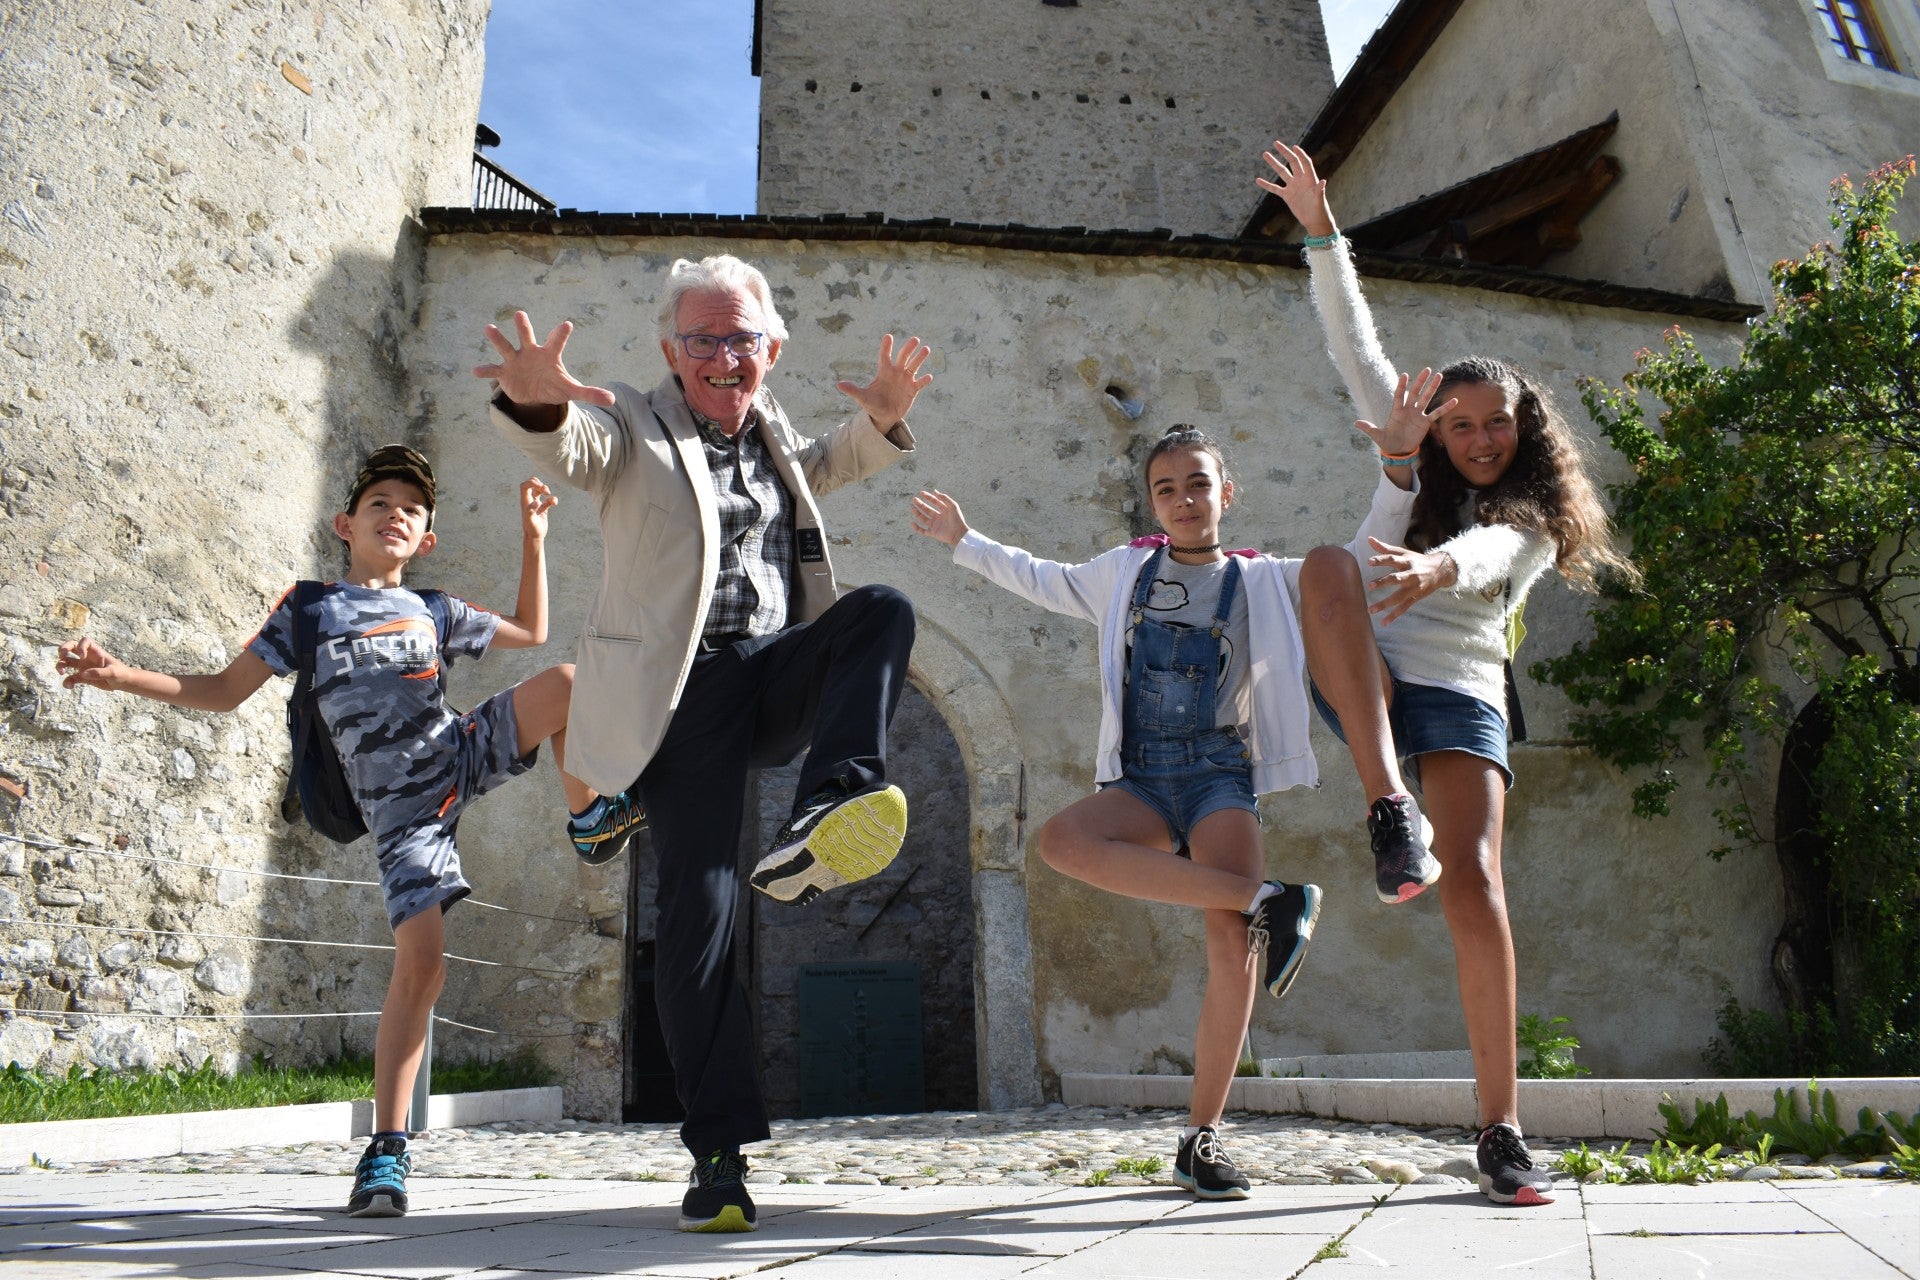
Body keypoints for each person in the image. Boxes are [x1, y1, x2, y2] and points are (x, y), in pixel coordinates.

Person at [475, 253, 932, 1234]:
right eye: (703, 339)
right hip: (676, 703)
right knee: (701, 913)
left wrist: (886, 414)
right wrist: (540, 406)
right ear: (669, 350)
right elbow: (581, 450)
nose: (724, 357)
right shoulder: (637, 424)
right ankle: (717, 1154)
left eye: (742, 339)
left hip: (765, 670)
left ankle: (832, 799)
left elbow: (828, 467)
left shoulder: (772, 431)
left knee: (879, 612)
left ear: (773, 349)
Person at [54, 445, 605, 1218]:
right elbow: (219, 691)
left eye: (412, 510)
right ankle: (386, 1150)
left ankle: (589, 819)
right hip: (402, 814)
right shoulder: (309, 610)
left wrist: (535, 538)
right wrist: (123, 675)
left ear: (426, 542)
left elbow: (532, 630)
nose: (396, 513)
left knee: (570, 687)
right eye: (380, 502)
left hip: (456, 752)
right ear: (346, 523)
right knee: (423, 967)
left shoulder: (435, 609)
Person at [909, 419, 1433, 1200]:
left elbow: (1350, 572)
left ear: (1225, 493)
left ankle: (1202, 1138)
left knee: (1233, 955)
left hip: (1222, 776)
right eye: (1167, 488)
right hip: (1144, 779)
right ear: (1152, 503)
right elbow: (1039, 577)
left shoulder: (1265, 580)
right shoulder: (1123, 572)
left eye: (1198, 483)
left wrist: (1396, 472)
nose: (1184, 500)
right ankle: (1271, 900)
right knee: (1062, 842)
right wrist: (964, 540)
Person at [1260, 140, 1639, 1206]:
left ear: (1523, 429)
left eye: (1492, 425)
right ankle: (1388, 810)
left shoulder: (1533, 516)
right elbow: (1353, 339)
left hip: (1464, 691)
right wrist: (1324, 233)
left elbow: (1493, 554)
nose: (1473, 438)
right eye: (1458, 424)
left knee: (1475, 883)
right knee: (1328, 562)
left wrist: (1437, 561)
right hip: (1365, 675)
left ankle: (1502, 1125)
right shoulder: (1408, 438)